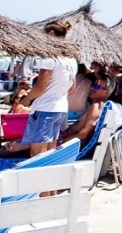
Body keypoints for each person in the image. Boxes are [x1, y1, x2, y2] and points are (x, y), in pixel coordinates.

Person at [19, 21, 78, 158]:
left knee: (37, 154)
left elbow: (41, 86)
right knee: (51, 151)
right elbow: (72, 89)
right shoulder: (71, 60)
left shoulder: (50, 57)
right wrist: (57, 93)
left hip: (45, 108)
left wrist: (26, 100)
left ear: (51, 34)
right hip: (61, 108)